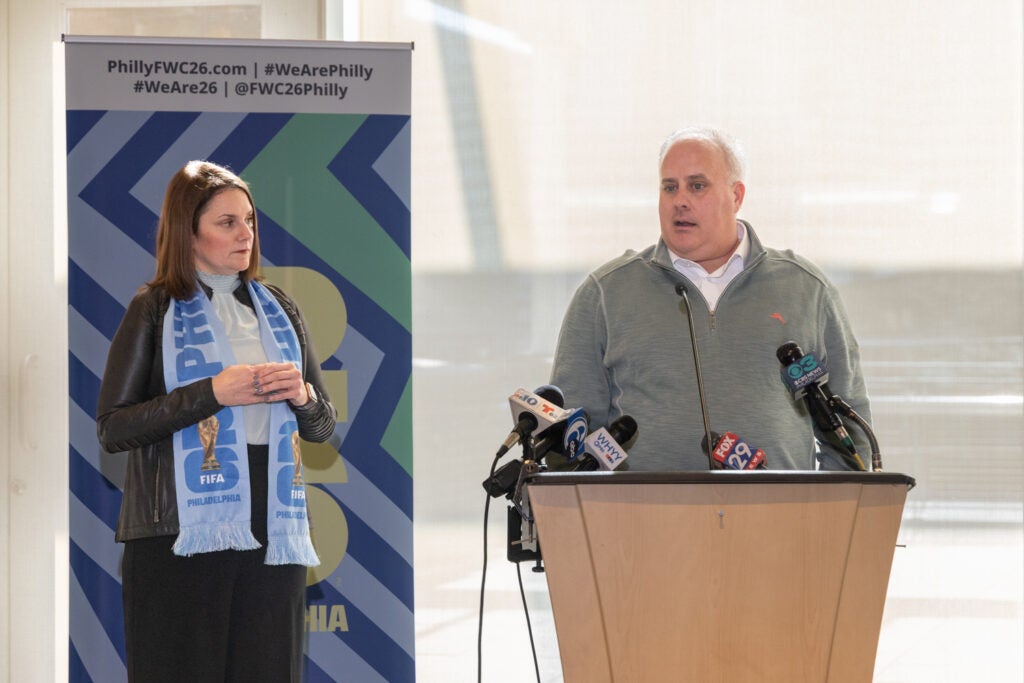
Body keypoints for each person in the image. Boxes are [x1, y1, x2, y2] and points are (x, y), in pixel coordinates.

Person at [96, 160, 338, 682]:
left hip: (272, 526)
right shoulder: (153, 308)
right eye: (227, 222)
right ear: (188, 232)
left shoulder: (281, 309)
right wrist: (210, 393)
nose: (245, 233)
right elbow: (114, 428)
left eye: (249, 220)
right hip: (177, 530)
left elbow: (322, 430)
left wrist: (301, 394)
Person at [549, 126, 870, 471]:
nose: (680, 200)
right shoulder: (605, 293)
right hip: (643, 520)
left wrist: (824, 518)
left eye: (697, 186)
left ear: (736, 196)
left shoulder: (806, 289)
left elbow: (850, 437)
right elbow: (570, 438)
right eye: (669, 187)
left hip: (776, 519)